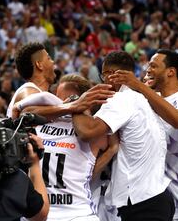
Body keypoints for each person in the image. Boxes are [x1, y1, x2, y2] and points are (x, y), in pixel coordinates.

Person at [109, 49, 178, 220]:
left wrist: (138, 86)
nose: (148, 69)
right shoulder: (146, 101)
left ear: (171, 72)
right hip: (165, 196)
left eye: (153, 65)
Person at [72, 51, 174, 221]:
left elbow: (87, 131)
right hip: (156, 196)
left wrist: (75, 104)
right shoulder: (142, 98)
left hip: (142, 203)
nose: (103, 80)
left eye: (104, 74)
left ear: (112, 75)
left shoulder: (121, 100)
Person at [14, 74, 118, 221]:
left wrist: (75, 106)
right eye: (57, 98)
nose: (58, 102)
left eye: (63, 98)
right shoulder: (41, 122)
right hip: (41, 212)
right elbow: (25, 113)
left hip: (76, 213)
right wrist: (71, 107)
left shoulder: (92, 129)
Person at [6, 42, 56, 117]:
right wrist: (71, 107)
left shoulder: (41, 93)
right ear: (39, 65)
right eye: (48, 58)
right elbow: (28, 109)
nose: (53, 62)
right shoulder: (28, 89)